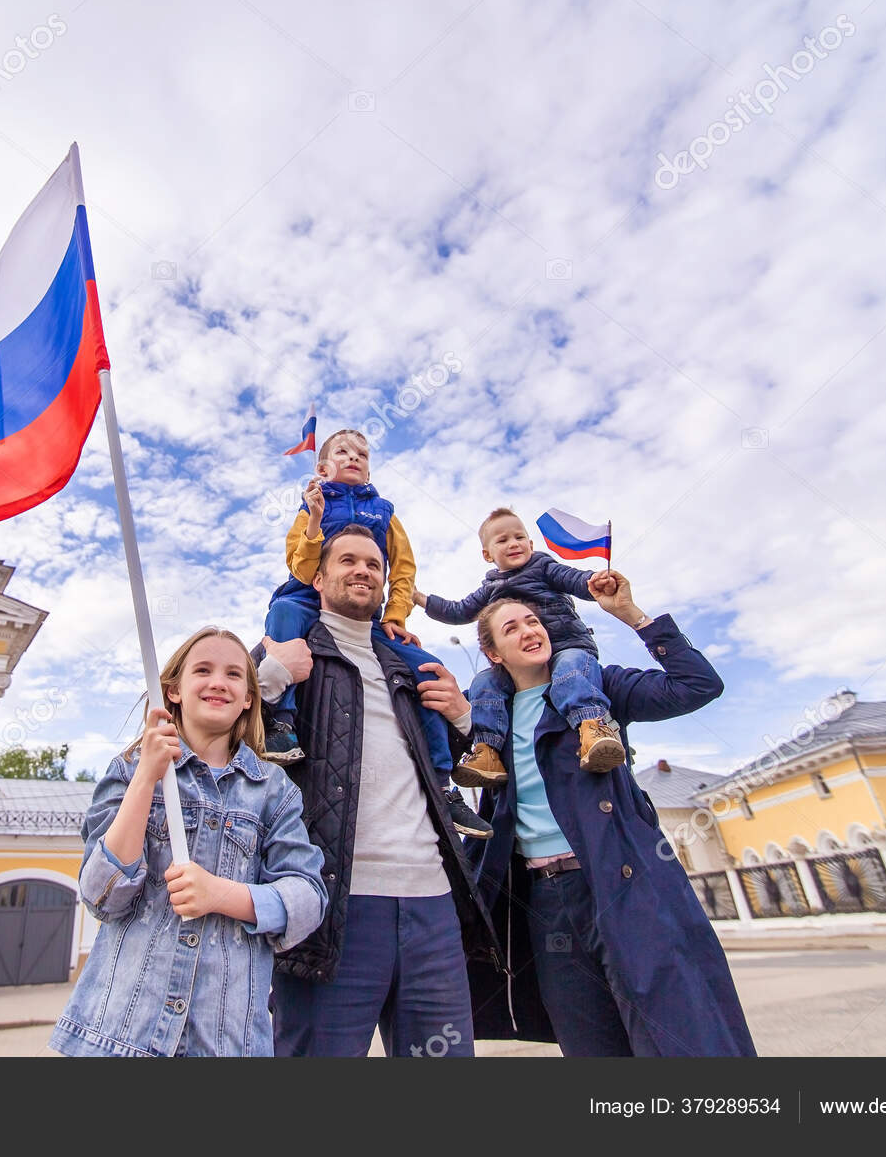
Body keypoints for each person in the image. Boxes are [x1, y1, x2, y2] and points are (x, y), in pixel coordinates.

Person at [416, 577, 755, 1056]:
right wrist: (460, 717)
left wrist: (633, 616)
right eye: (511, 628)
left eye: (533, 621)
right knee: (590, 1045)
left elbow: (698, 685)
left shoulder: (595, 687)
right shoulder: (490, 719)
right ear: (493, 654)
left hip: (622, 885)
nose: (529, 630)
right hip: (543, 903)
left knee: (677, 1036)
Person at [258, 524, 501, 1056]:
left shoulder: (407, 663)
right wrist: (273, 672)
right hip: (329, 905)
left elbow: (473, 763)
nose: (363, 569)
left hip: (433, 903)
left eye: (373, 563)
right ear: (317, 578)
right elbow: (223, 731)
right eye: (347, 560)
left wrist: (462, 717)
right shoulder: (289, 649)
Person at [49, 626, 327, 1057]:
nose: (219, 681)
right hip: (120, 1037)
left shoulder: (275, 790)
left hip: (226, 1044)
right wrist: (146, 776)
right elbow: (102, 896)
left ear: (249, 698)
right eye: (203, 670)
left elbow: (308, 900)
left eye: (235, 674)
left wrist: (221, 894)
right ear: (173, 691)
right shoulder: (127, 770)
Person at [262, 428, 490, 838]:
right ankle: (281, 723)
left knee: (429, 669)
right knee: (281, 616)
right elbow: (299, 568)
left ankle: (443, 784)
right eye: (343, 452)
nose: (354, 458)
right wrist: (315, 522)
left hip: (367, 613)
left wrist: (397, 616)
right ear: (322, 466)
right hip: (305, 596)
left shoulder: (384, 512)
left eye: (362, 454)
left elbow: (402, 570)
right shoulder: (310, 505)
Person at [415, 506, 624, 787]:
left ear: (531, 544)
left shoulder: (544, 566)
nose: (513, 544)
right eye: (502, 540)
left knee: (571, 672)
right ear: (487, 555)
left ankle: (592, 729)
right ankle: (487, 750)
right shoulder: (490, 587)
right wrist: (420, 598)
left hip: (566, 646)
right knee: (484, 683)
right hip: (519, 664)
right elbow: (459, 611)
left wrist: (594, 581)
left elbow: (573, 579)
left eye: (519, 537)